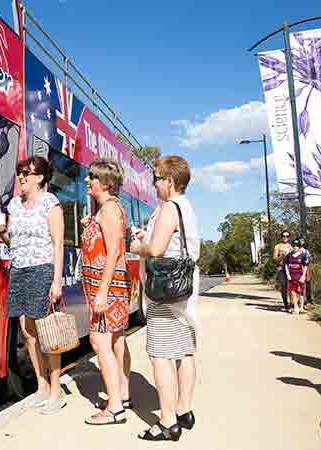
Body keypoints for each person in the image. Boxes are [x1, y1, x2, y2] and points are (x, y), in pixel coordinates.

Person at [130, 155, 200, 442]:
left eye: (157, 178)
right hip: (184, 292)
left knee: (160, 355)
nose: (153, 182)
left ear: (169, 181)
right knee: (184, 352)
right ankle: (184, 410)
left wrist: (137, 245)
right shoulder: (186, 208)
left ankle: (167, 421)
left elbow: (156, 249)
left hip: (165, 293)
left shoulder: (169, 208)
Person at [0, 156, 66, 415]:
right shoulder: (14, 204)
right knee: (27, 330)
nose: (21, 177)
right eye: (19, 172)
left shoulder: (50, 203)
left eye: (26, 173)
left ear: (40, 178)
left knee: (46, 331)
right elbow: (11, 239)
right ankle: (42, 386)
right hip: (19, 269)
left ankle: (57, 390)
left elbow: (57, 244)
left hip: (42, 268)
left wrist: (56, 281)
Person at [80, 159, 131, 426]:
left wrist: (101, 291)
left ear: (106, 183)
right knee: (116, 340)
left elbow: (113, 252)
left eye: (92, 177)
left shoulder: (110, 210)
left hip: (106, 286)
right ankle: (122, 395)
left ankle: (114, 408)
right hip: (110, 286)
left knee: (100, 343)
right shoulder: (108, 210)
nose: (87, 180)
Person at [284, 238, 309, 315]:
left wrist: (303, 276)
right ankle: (295, 307)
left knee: (300, 292)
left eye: (297, 246)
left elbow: (305, 266)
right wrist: (288, 274)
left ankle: (301, 307)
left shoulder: (303, 255)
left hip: (300, 275)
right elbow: (286, 265)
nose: (295, 247)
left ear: (299, 247)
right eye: (294, 246)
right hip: (292, 276)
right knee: (293, 292)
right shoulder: (288, 255)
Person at [273, 230, 293, 311]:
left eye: (287, 236)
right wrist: (281, 256)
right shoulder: (277, 246)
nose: (285, 237)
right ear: (281, 237)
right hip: (281, 268)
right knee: (284, 286)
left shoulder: (291, 246)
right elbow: (275, 259)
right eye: (283, 236)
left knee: (291, 286)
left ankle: (292, 304)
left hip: (291, 268)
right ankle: (286, 304)